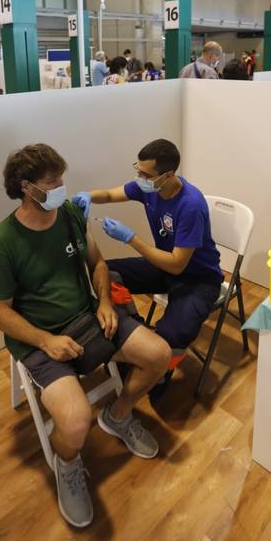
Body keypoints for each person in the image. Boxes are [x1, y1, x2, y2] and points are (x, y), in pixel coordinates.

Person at [0, 144, 170, 528]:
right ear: (26, 187)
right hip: (41, 339)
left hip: (89, 316)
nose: (61, 189)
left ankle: (118, 415)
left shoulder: (67, 214)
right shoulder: (3, 242)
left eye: (62, 181)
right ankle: (66, 463)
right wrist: (44, 340)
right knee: (75, 422)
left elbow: (97, 262)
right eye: (53, 183)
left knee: (159, 354)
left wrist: (102, 301)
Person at [73, 138, 223, 399]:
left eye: (145, 174)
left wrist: (130, 238)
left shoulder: (191, 205)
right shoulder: (150, 187)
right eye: (137, 170)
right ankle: (134, 330)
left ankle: (162, 371)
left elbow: (178, 265)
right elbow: (110, 194)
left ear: (167, 175)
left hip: (197, 278)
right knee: (105, 273)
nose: (138, 177)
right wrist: (88, 196)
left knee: (172, 334)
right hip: (164, 265)